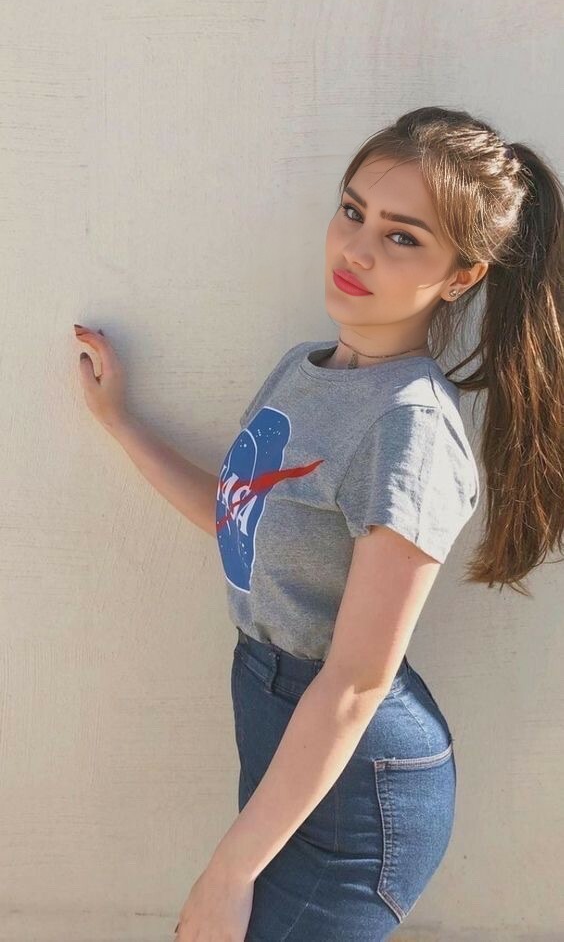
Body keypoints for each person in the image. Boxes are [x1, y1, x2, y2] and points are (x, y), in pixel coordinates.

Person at [74, 105, 564, 941]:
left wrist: (228, 873)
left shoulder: (409, 428)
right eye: (352, 211)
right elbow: (240, 522)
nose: (357, 249)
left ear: (462, 277)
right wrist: (121, 422)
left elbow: (357, 682)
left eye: (402, 236)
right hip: (286, 739)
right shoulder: (304, 370)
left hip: (357, 793)